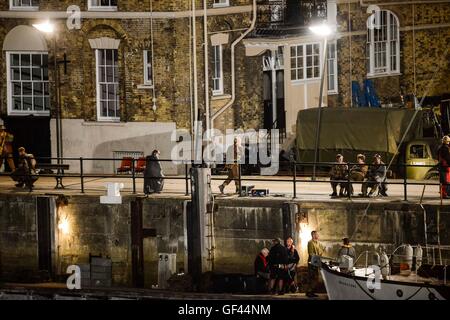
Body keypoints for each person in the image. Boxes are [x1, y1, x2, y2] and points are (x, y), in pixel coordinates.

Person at [306, 230, 325, 298]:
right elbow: (311, 253)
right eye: (317, 234)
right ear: (313, 235)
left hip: (316, 261)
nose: (318, 235)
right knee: (312, 277)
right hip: (312, 262)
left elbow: (320, 251)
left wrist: (322, 251)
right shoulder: (310, 242)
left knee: (315, 277)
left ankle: (312, 291)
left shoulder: (318, 243)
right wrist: (316, 259)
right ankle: (309, 291)